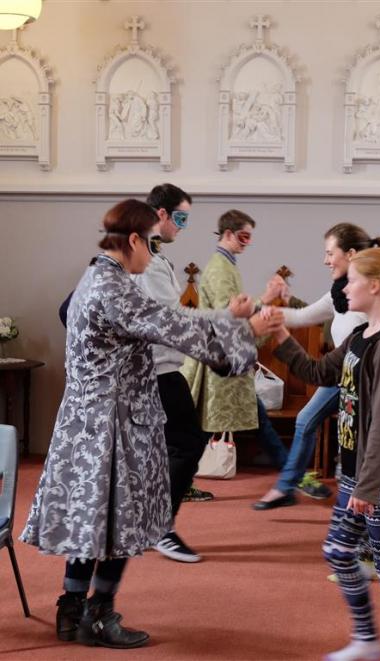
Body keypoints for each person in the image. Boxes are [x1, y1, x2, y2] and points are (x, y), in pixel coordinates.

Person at [21, 199, 281, 649]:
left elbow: (170, 317)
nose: (154, 256)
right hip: (113, 427)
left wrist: (228, 318)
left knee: (96, 522)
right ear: (136, 239)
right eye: (152, 245)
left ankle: (72, 610)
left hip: (87, 422)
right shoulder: (116, 289)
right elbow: (174, 329)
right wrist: (248, 331)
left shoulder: (96, 276)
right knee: (122, 520)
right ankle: (97, 616)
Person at [271, 247, 380, 661]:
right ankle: (367, 640)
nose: (345, 286)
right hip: (359, 473)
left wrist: (370, 487)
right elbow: (320, 373)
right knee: (339, 553)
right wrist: (282, 339)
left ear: (375, 286)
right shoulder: (362, 336)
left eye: (352, 279)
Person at [254, 223, 380, 512]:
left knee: (353, 443)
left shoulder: (369, 294)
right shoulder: (342, 293)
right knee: (305, 420)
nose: (325, 260)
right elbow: (303, 316)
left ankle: (356, 503)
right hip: (340, 376)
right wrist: (266, 312)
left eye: (330, 253)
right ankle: (286, 488)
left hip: (363, 383)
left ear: (351, 254)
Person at [132, 183, 213, 565]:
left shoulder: (153, 256)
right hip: (157, 370)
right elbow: (169, 318)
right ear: (161, 214)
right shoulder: (144, 260)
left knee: (168, 448)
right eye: (179, 218)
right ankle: (161, 527)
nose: (182, 226)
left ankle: (152, 522)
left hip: (161, 366)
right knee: (188, 443)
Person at [182, 209, 289, 472]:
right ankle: (291, 474)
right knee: (208, 427)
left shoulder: (226, 264)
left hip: (227, 358)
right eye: (243, 237)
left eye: (250, 238)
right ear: (228, 234)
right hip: (221, 360)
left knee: (214, 425)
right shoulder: (220, 268)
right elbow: (227, 314)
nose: (247, 243)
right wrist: (267, 295)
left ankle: (290, 473)